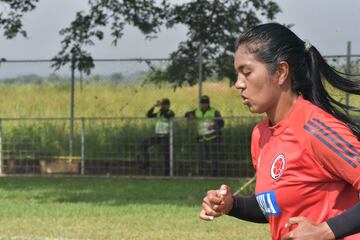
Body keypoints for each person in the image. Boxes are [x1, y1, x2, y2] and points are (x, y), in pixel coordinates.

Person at [199, 23, 360, 240]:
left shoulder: (316, 129)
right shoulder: (260, 135)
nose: (238, 84)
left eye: (247, 73)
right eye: (237, 74)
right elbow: (276, 205)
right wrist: (232, 205)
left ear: (282, 72)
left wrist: (325, 231)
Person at [185, 95, 224, 176]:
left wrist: (214, 126)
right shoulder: (197, 111)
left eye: (205, 103)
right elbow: (186, 114)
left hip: (212, 137)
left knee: (214, 157)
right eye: (202, 103)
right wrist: (190, 116)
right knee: (200, 157)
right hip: (201, 137)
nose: (204, 105)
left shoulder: (214, 111)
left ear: (208, 104)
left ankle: (215, 175)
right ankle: (201, 174)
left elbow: (221, 123)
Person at [140, 98, 175, 176]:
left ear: (168, 105)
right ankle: (146, 163)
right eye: (162, 105)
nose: (162, 106)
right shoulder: (159, 113)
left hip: (165, 136)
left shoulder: (170, 112)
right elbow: (149, 115)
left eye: (164, 105)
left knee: (166, 154)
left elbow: (167, 116)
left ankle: (167, 173)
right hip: (158, 135)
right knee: (144, 144)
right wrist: (154, 106)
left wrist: (161, 109)